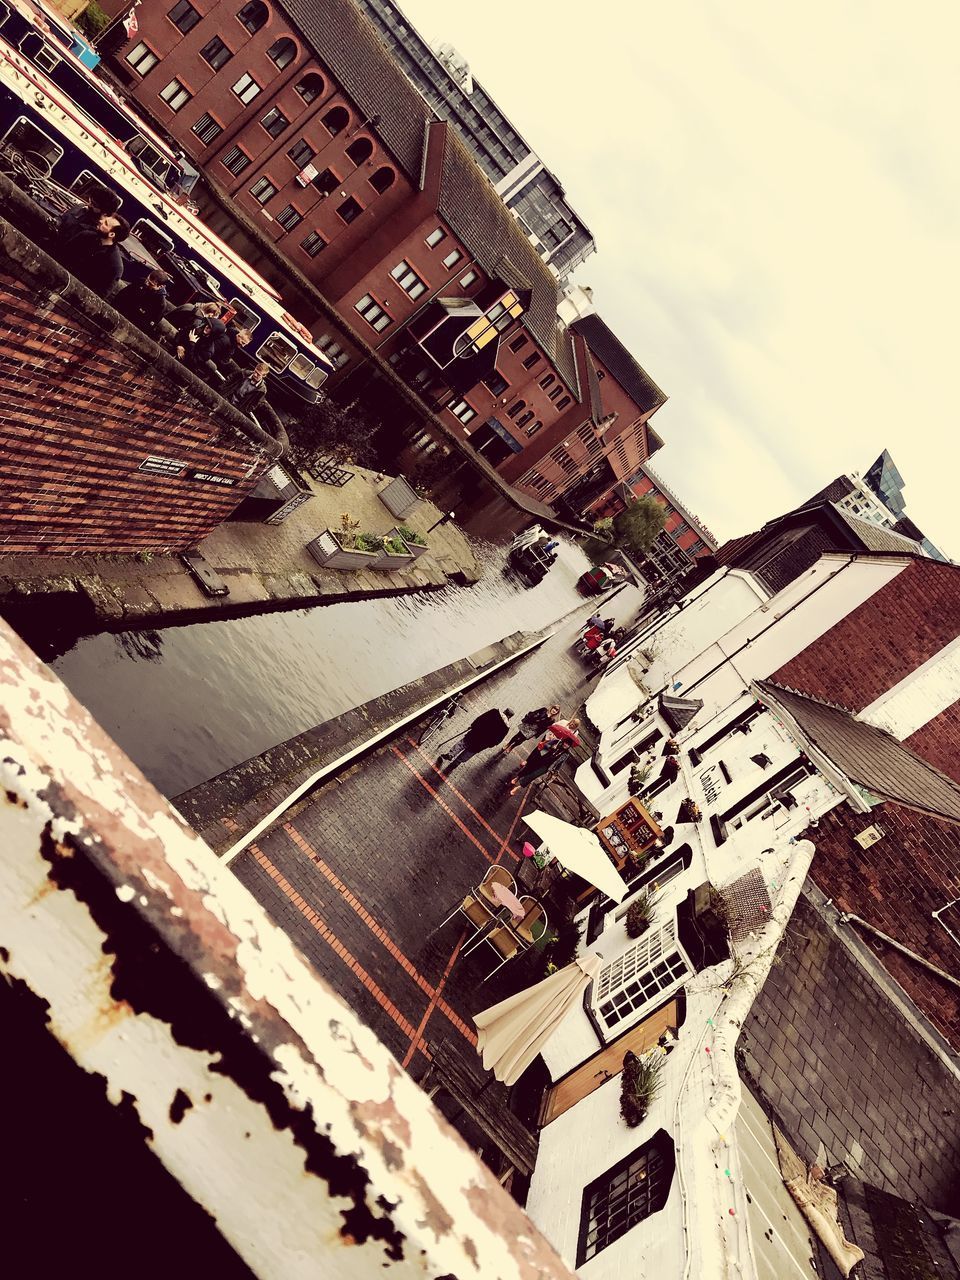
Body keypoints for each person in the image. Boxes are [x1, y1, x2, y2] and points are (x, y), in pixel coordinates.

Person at [60, 213, 129, 296]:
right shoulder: (85, 236)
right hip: (59, 279)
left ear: (111, 234)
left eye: (106, 223)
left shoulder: (115, 265)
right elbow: (62, 252)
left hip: (73, 297)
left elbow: (101, 293)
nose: (100, 221)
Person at [436, 708, 514, 774]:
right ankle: (454, 764)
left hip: (475, 733)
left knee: (462, 744)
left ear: (504, 711)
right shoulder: (505, 728)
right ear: (509, 717)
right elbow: (497, 741)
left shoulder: (494, 712)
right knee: (469, 752)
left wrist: (472, 725)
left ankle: (451, 754)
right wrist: (489, 745)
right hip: (481, 744)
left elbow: (481, 718)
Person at [56, 188, 123, 248]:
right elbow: (62, 218)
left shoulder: (98, 232)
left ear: (105, 212)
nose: (89, 205)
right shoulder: (81, 207)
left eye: (93, 204)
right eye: (90, 201)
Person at [113, 270, 169, 339]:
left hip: (129, 327)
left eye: (151, 284)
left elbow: (147, 326)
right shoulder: (140, 282)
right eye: (147, 280)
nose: (146, 284)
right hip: (118, 313)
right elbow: (120, 296)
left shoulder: (160, 305)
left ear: (161, 286)